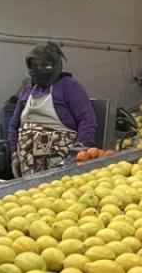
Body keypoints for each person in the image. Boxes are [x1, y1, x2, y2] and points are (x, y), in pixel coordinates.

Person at [6, 43, 97, 176]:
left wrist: (78, 152)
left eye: (45, 65)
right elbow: (13, 125)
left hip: (63, 166)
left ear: (55, 65)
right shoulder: (27, 91)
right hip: (27, 167)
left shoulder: (69, 86)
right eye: (34, 65)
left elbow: (87, 121)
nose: (39, 69)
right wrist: (14, 154)